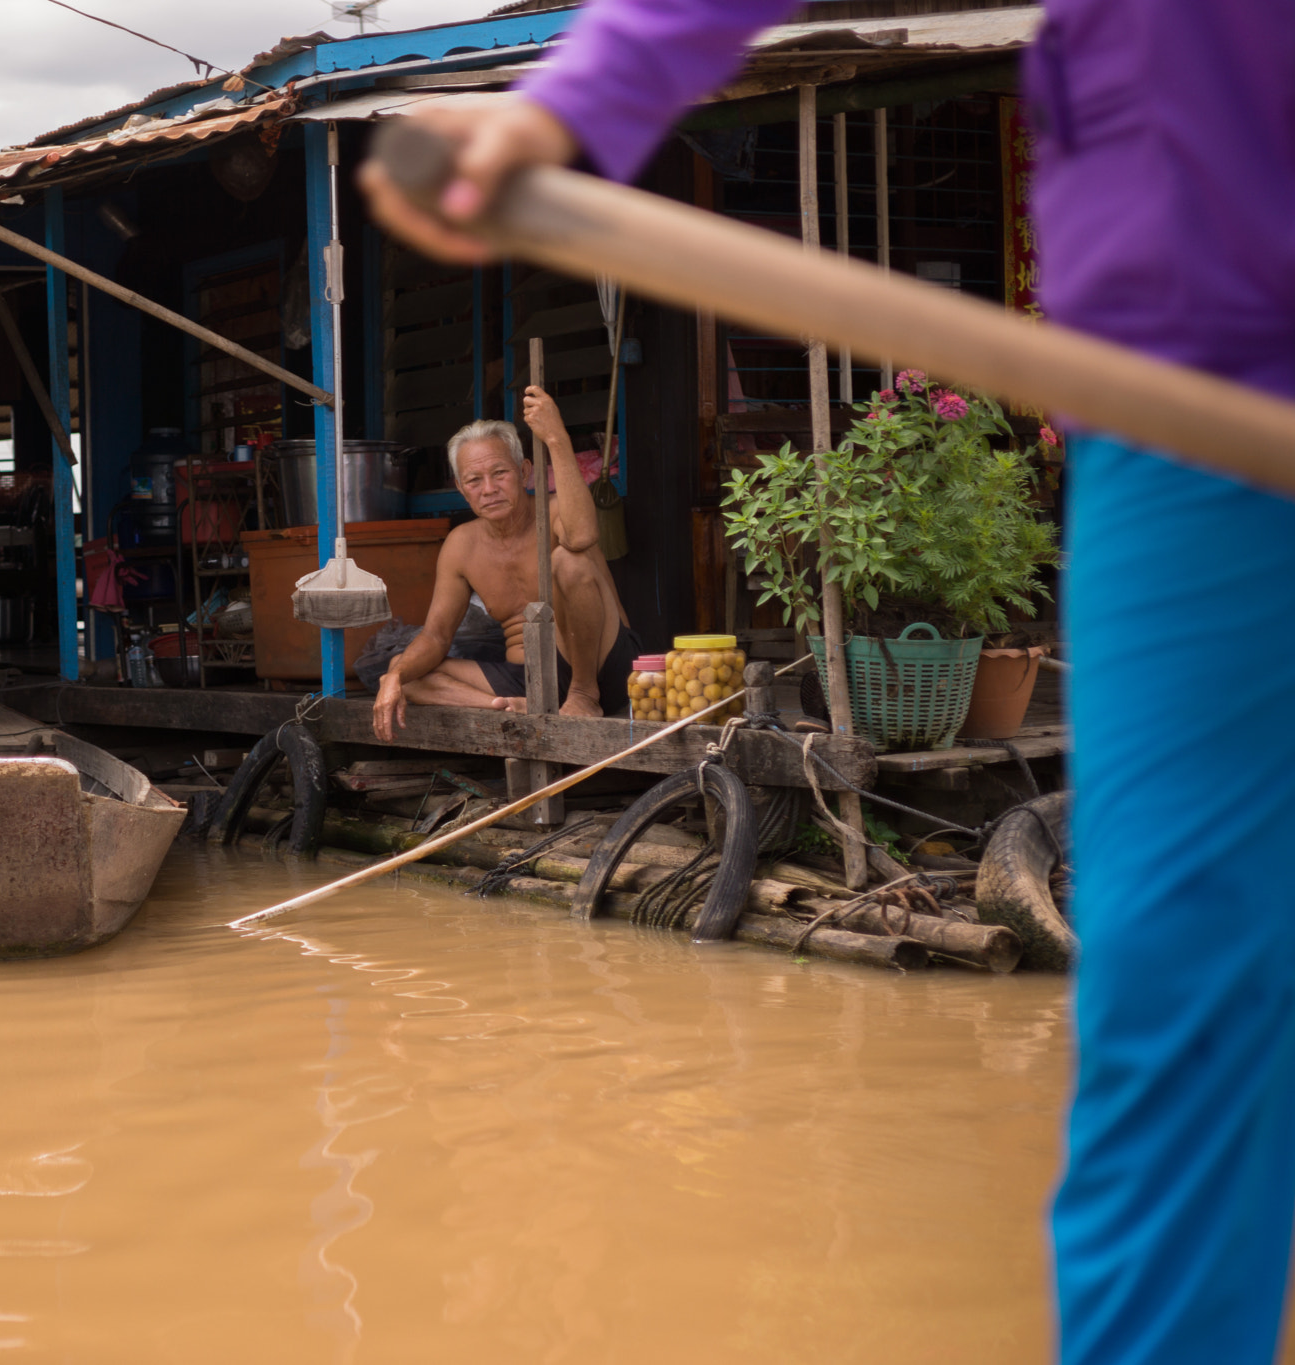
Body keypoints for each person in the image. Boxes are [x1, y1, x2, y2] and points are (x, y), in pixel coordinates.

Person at [361, 3, 1295, 1362]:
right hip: (1188, 388)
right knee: (1179, 990)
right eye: (484, 472)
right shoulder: (453, 543)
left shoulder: (546, 509)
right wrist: (577, 100)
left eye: (505, 466)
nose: (491, 486)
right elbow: (435, 626)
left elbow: (574, 545)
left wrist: (564, 438)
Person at [371, 386, 639, 742]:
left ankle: (583, 695)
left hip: (604, 667)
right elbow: (436, 636)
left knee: (569, 560)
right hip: (527, 677)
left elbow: (581, 537)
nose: (489, 489)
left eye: (500, 473)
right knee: (403, 671)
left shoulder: (557, 511)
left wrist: (556, 437)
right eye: (474, 480)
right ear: (461, 489)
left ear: (525, 472)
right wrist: (395, 677)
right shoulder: (461, 545)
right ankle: (507, 706)